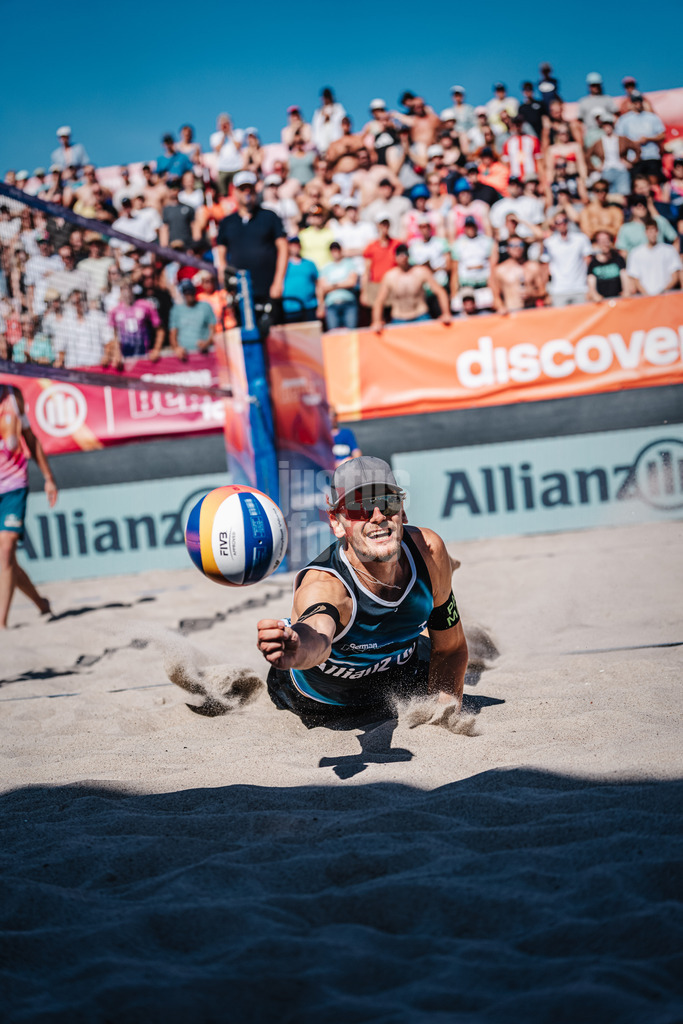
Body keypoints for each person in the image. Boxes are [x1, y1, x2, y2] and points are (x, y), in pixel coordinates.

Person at [256, 456, 468, 727]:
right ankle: (443, 579)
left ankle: (446, 572)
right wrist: (298, 648)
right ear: (336, 523)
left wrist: (444, 717)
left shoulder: (428, 550)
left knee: (436, 590)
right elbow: (318, 635)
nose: (378, 516)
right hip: (326, 703)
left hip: (402, 676)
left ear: (402, 511)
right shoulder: (326, 585)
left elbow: (452, 650)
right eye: (358, 507)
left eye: (387, 502)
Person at [0, 384, 57, 628]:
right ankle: (40, 602)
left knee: (6, 548)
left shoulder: (12, 396)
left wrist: (48, 478)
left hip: (13, 484)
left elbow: (30, 439)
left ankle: (1, 623)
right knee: (6, 559)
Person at [215, 171, 288, 310]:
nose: (247, 193)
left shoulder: (270, 216)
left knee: (272, 329)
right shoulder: (227, 223)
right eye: (242, 189)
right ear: (235, 191)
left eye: (250, 188)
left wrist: (278, 282)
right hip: (240, 292)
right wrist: (226, 285)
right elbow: (221, 256)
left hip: (268, 288)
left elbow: (283, 248)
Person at [372, 243, 451, 330]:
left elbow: (440, 292)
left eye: (405, 253)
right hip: (399, 319)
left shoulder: (420, 272)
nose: (403, 257)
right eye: (399, 254)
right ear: (395, 257)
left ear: (408, 255)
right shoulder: (390, 276)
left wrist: (446, 313)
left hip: (420, 316)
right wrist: (377, 321)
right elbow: (379, 301)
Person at [543, 214, 592, 307]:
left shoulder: (581, 239)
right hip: (559, 289)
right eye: (558, 222)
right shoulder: (549, 243)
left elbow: (588, 261)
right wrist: (547, 292)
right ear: (554, 225)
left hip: (580, 288)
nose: (562, 224)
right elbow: (545, 267)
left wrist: (588, 286)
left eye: (564, 221)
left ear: (568, 222)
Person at [615, 92, 665, 183]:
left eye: (639, 101)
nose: (638, 104)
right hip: (634, 158)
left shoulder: (652, 118)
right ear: (631, 103)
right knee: (637, 184)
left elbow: (662, 135)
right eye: (635, 101)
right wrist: (631, 145)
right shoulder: (624, 120)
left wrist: (648, 139)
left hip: (651, 156)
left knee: (653, 182)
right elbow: (619, 139)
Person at [585, 113, 637, 197]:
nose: (607, 129)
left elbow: (636, 148)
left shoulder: (622, 139)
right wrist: (595, 167)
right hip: (607, 170)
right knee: (609, 194)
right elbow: (587, 155)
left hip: (621, 169)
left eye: (609, 126)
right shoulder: (599, 142)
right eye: (605, 127)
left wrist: (631, 162)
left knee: (624, 193)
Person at [626, 219, 682, 296]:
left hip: (666, 297)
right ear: (645, 233)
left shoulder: (669, 250)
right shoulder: (635, 253)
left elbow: (675, 276)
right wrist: (647, 295)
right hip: (645, 299)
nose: (652, 234)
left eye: (654, 230)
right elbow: (635, 279)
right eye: (649, 231)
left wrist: (663, 292)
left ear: (657, 232)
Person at [491, 236, 546, 312]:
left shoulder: (533, 267)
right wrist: (501, 307)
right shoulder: (500, 270)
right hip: (511, 312)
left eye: (520, 245)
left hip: (531, 311)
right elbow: (496, 296)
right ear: (508, 248)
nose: (517, 248)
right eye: (513, 245)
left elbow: (543, 292)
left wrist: (532, 295)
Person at [316, 242, 359, 330]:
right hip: (332, 304)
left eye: (337, 250)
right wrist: (321, 306)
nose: (335, 252)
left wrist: (333, 285)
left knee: (351, 333)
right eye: (333, 250)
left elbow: (352, 282)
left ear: (340, 251)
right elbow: (322, 287)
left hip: (348, 303)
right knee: (333, 334)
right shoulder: (326, 268)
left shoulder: (349, 264)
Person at [169, 280, 216, 355]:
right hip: (184, 355)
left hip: (205, 354)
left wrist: (207, 343)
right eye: (186, 292)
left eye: (190, 291)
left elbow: (213, 329)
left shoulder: (205, 306)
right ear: (183, 294)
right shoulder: (176, 310)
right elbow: (173, 333)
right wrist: (176, 348)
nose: (189, 294)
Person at [282, 236, 319, 323]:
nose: (295, 247)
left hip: (309, 307)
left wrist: (321, 305)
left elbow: (318, 284)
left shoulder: (310, 264)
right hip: (289, 308)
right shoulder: (282, 265)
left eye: (297, 245)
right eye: (292, 245)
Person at [587, 231, 629, 301]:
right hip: (601, 301)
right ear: (597, 243)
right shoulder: (593, 263)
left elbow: (624, 275)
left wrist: (626, 291)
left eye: (606, 240)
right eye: (601, 241)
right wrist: (595, 295)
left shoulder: (618, 259)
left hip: (619, 299)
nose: (604, 244)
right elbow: (591, 281)